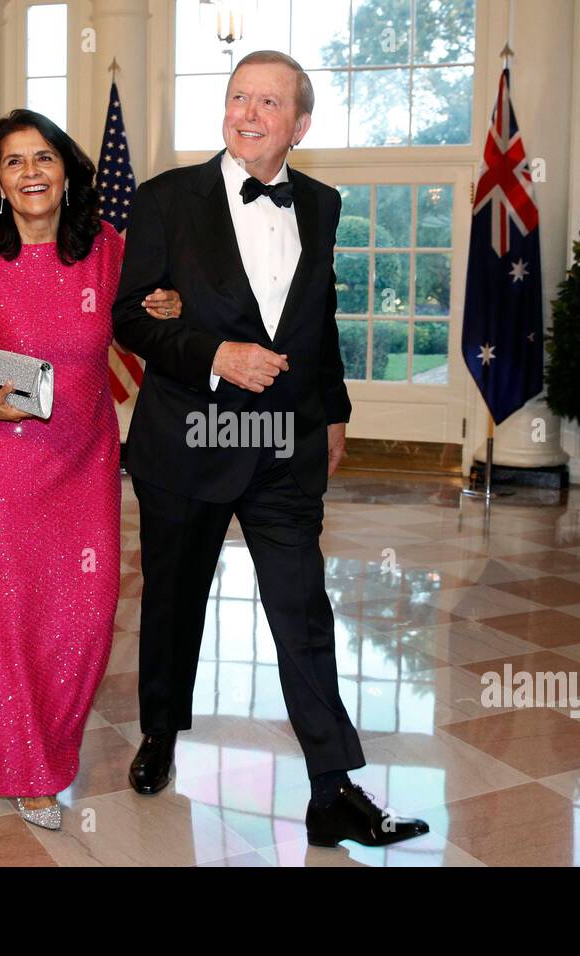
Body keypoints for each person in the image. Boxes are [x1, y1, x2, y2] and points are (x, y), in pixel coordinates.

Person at [113, 50, 429, 847]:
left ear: (301, 124)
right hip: (190, 432)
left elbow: (315, 321)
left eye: (269, 103)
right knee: (173, 599)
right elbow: (129, 317)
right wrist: (214, 356)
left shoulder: (321, 204)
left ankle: (333, 791)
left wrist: (334, 413)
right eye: (238, 98)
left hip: (284, 441)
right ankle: (161, 732)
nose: (248, 115)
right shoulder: (164, 199)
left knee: (302, 608)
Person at [0, 109, 181, 832]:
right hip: (5, 467)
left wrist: (168, 303)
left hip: (86, 461)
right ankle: (25, 769)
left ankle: (53, 748)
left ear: (67, 171)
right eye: (14, 161)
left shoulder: (105, 248)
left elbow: (142, 315)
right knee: (5, 617)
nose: (31, 171)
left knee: (89, 614)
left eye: (44, 157)